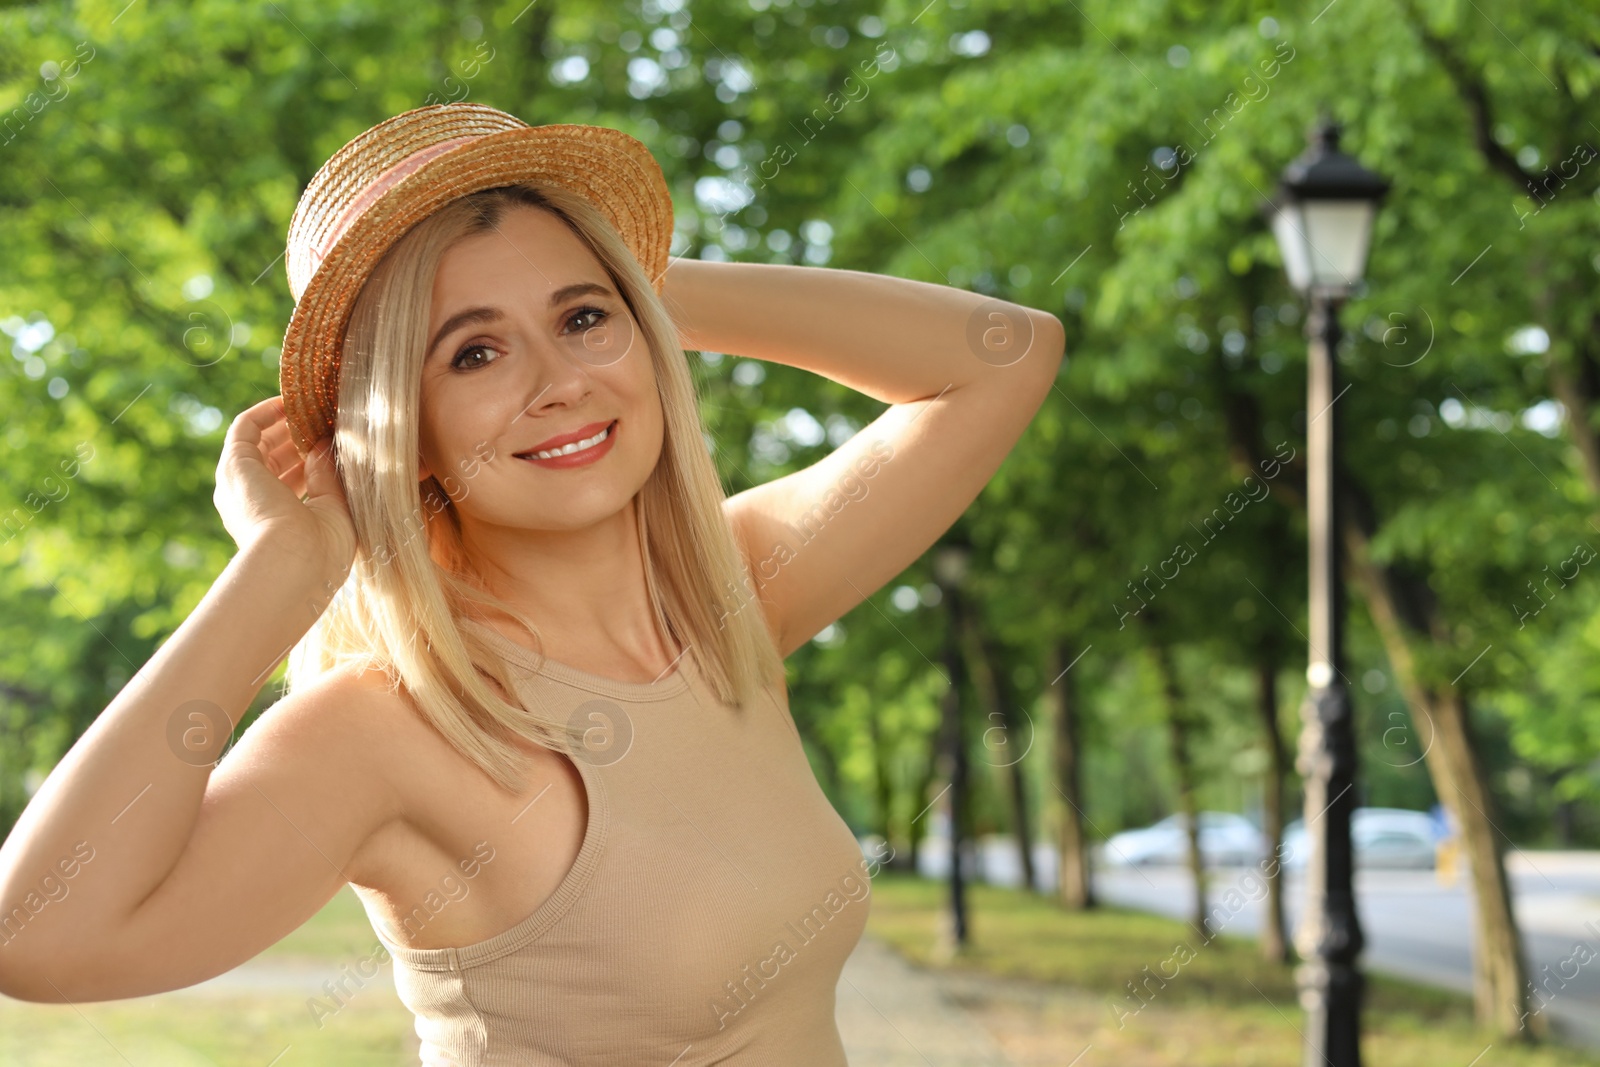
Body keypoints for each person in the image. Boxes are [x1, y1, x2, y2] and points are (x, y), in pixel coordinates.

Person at [0, 103, 1065, 1064]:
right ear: (400, 431)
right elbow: (37, 935)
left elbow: (1005, 352)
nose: (560, 384)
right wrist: (280, 571)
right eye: (472, 354)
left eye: (583, 320)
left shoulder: (726, 598)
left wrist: (627, 274)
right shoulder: (386, 727)